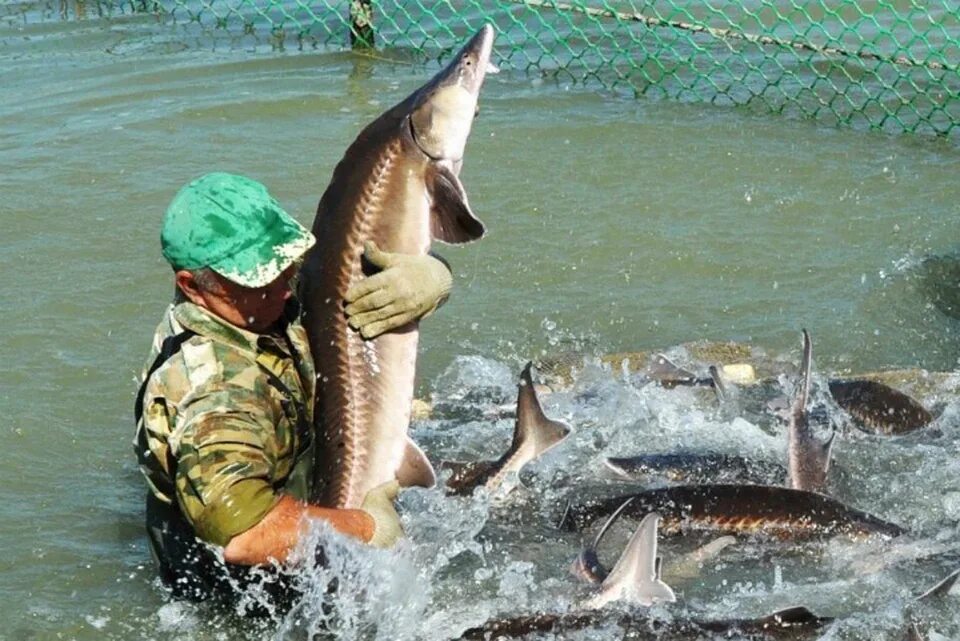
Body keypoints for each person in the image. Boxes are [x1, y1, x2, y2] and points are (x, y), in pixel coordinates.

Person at [133, 172, 453, 602]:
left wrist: (432, 276)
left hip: (301, 475)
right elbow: (248, 536)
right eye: (258, 278)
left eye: (283, 262)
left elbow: (368, 268)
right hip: (239, 589)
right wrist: (366, 526)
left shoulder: (257, 302)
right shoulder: (215, 395)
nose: (284, 288)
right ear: (192, 286)